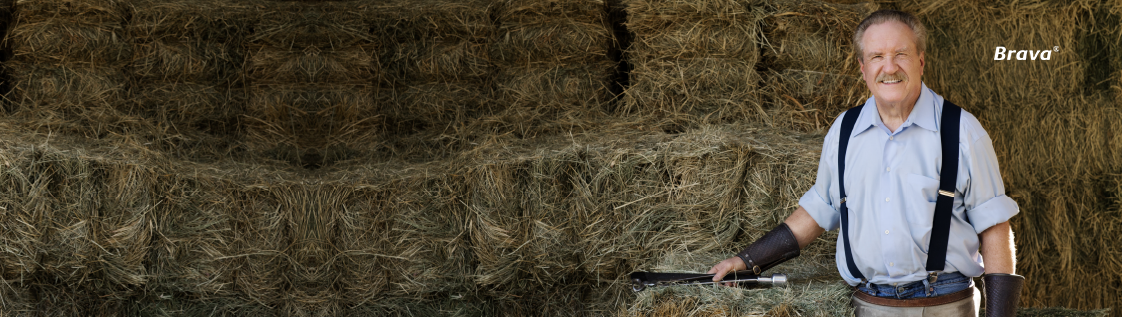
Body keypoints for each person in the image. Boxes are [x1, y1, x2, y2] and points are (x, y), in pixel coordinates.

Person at [707, 10, 1023, 317]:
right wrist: (747, 260)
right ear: (862, 67)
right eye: (876, 57)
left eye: (901, 54)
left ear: (921, 61)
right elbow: (818, 212)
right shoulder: (845, 132)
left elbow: (995, 228)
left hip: (944, 304)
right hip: (869, 304)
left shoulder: (962, 131)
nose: (889, 67)